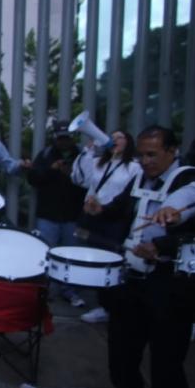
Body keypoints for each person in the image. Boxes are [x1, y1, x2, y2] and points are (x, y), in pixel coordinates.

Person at [100, 125, 195, 388]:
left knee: (166, 365)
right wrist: (100, 209)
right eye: (142, 155)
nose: (146, 162)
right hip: (132, 281)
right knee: (121, 359)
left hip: (170, 286)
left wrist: (163, 245)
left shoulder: (192, 180)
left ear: (172, 151)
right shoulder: (139, 177)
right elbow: (121, 209)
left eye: (152, 155)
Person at [71, 129, 141, 323]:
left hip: (115, 220)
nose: (115, 140)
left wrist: (105, 208)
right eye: (113, 137)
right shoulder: (99, 163)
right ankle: (103, 305)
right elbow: (79, 178)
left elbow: (129, 198)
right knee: (97, 261)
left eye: (121, 137)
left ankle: (114, 305)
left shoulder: (134, 167)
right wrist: (87, 151)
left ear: (129, 143)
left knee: (112, 261)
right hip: (94, 218)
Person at [27, 119, 87, 307]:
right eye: (60, 138)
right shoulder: (45, 154)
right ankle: (46, 290)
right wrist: (51, 171)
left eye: (66, 138)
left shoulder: (82, 155)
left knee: (72, 254)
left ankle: (70, 291)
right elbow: (33, 178)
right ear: (54, 137)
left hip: (73, 215)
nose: (63, 142)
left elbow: (90, 183)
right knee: (46, 253)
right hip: (48, 215)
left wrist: (72, 175)